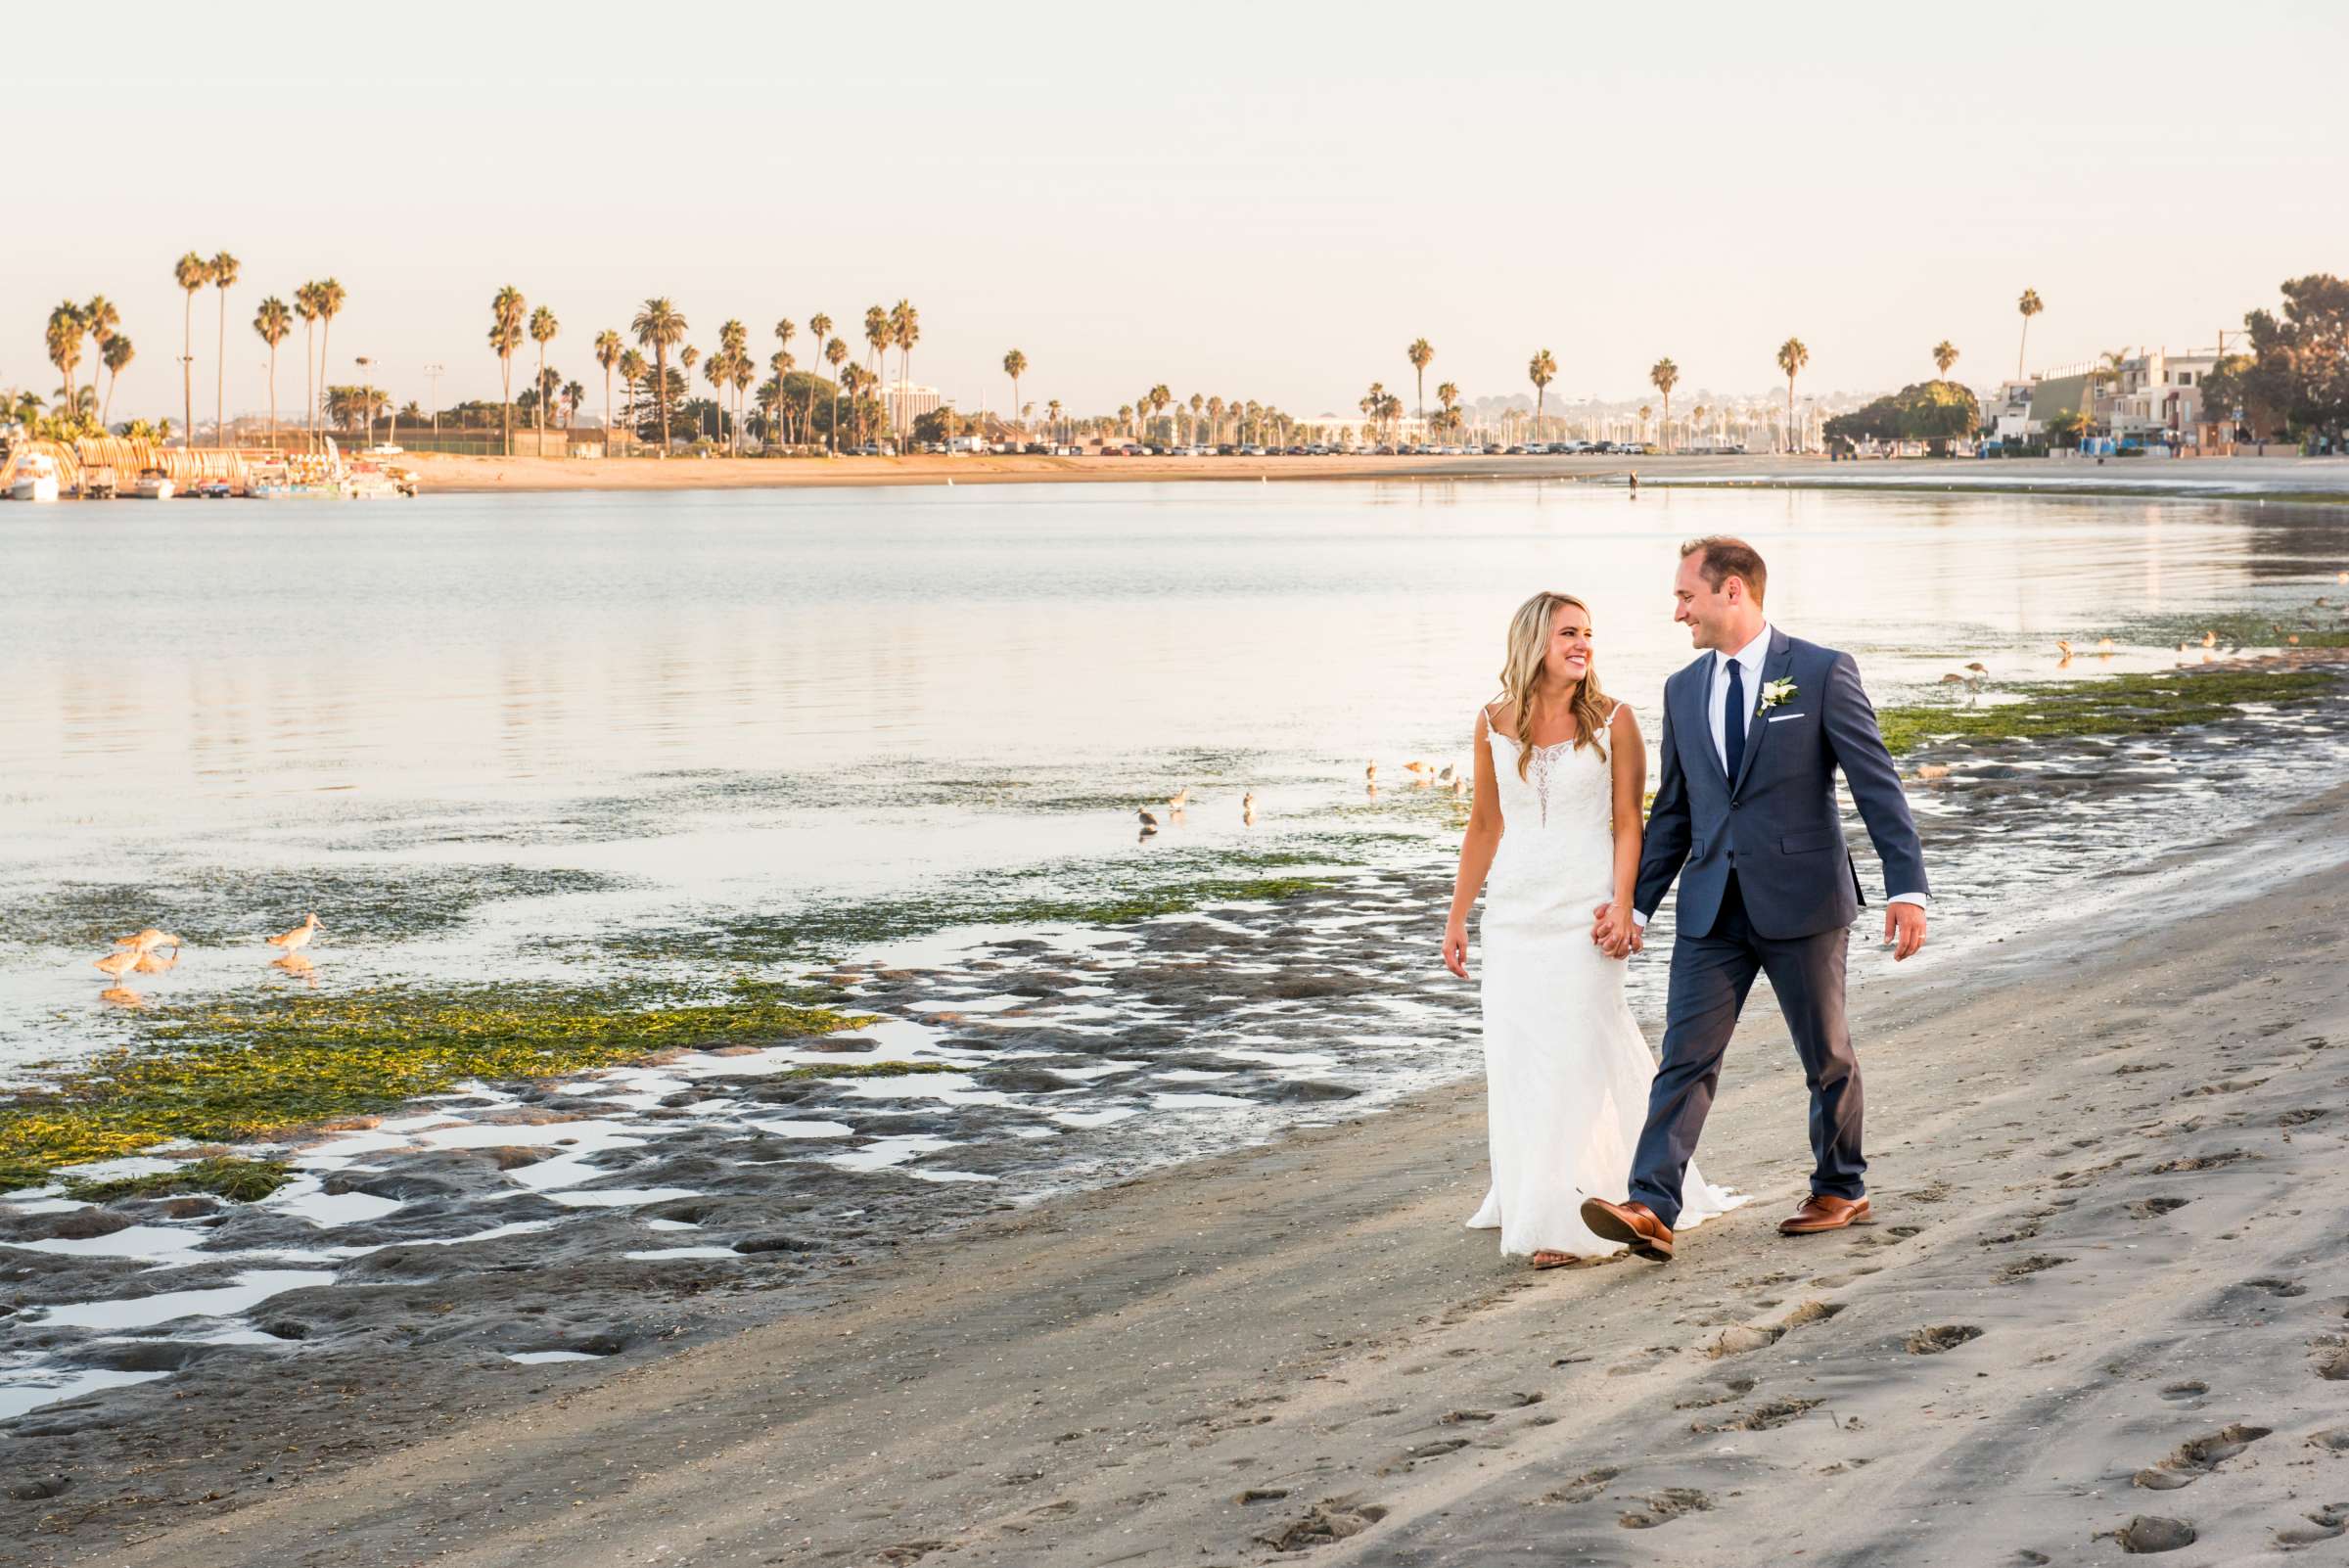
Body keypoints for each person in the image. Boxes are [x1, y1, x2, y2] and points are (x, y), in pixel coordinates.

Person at [1581, 537, 1927, 1263]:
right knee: (1684, 1057)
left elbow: (1876, 785)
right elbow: (1674, 811)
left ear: (1732, 591)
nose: (1678, 613)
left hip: (1803, 901)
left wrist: (1906, 887)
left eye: (1686, 597)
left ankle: (1841, 1186)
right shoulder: (1681, 689)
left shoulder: (1822, 672)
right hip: (1711, 908)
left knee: (1826, 1054)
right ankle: (1651, 1204)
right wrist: (1636, 906)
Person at [1443, 591, 1745, 1268]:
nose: (1584, 645)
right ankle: (1539, 1192)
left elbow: (1630, 822)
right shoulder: (1492, 720)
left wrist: (1623, 904)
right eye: (1569, 634)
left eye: (1588, 634)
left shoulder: (1614, 721)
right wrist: (1458, 915)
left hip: (1585, 914)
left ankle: (1566, 1219)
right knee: (1521, 1060)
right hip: (1516, 916)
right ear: (1533, 643)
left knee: (1574, 1057)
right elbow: (1485, 824)